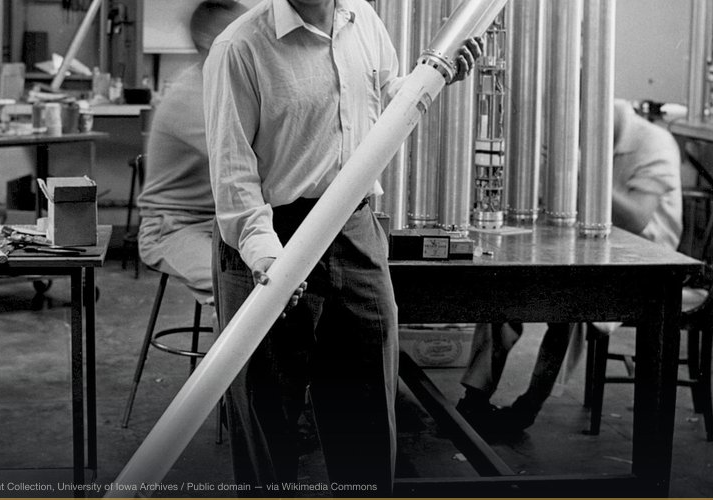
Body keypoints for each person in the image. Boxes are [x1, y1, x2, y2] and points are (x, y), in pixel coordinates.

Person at [203, 0, 482, 494]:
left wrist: (434, 81)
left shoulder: (362, 20)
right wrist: (268, 260)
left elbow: (385, 101)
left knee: (366, 409)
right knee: (269, 417)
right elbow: (234, 177)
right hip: (272, 234)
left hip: (354, 227)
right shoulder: (239, 48)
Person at [457, 99, 683, 436]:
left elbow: (637, 219)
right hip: (598, 249)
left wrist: (580, 171)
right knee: (504, 285)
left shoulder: (653, 142)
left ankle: (527, 407)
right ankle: (474, 397)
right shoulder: (592, 138)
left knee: (574, 305)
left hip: (644, 265)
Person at [136, 0, 248, 306]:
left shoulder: (231, 84)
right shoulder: (191, 96)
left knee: (290, 278)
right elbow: (243, 164)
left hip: (221, 223)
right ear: (211, 43)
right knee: (242, 289)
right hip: (173, 227)